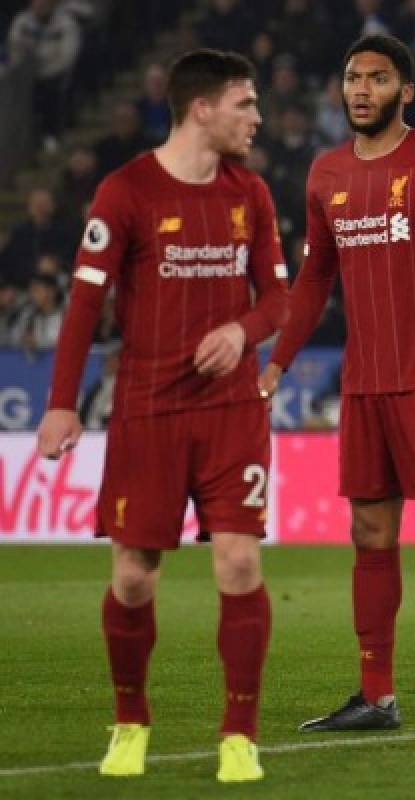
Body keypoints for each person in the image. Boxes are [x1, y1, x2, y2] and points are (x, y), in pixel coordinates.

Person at [35, 49, 289, 782]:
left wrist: (243, 330)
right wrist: (60, 405)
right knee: (135, 578)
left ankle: (238, 733)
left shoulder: (253, 194)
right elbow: (85, 304)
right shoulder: (126, 192)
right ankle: (130, 720)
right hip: (147, 410)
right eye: (245, 104)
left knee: (239, 560)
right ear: (202, 108)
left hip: (233, 408)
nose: (257, 118)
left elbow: (279, 298)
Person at [258, 34, 415, 737]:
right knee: (369, 531)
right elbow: (314, 279)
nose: (361, 89)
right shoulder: (325, 173)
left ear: (405, 90)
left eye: (376, 78)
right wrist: (277, 361)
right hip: (365, 384)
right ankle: (377, 695)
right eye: (352, 78)